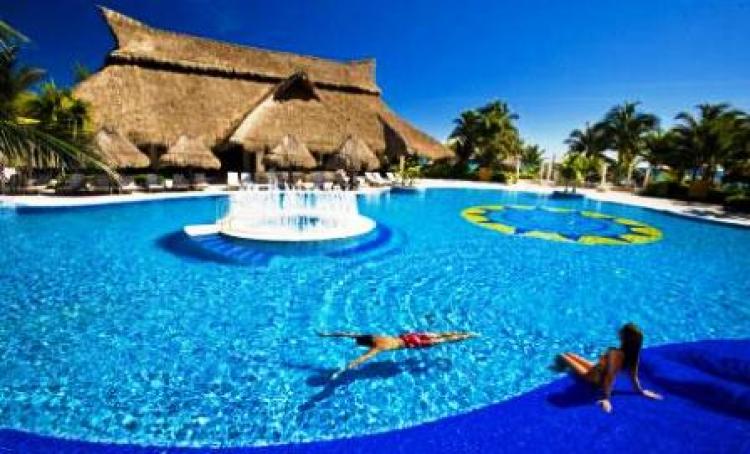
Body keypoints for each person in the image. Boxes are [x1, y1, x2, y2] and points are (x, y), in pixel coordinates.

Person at [557, 322, 663, 413]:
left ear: (624, 338)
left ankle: (559, 361)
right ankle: (564, 360)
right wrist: (641, 391)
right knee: (569, 354)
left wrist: (605, 398)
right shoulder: (633, 355)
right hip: (597, 369)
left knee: (564, 356)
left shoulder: (615, 354)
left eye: (621, 333)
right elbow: (633, 376)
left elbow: (609, 377)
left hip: (594, 378)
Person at [319, 331, 478, 379]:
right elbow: (348, 334)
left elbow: (360, 360)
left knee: (443, 341)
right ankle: (467, 333)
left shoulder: (377, 347)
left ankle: (467, 337)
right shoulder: (374, 337)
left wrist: (340, 371)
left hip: (410, 344)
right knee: (441, 334)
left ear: (366, 345)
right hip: (409, 336)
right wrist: (327, 335)